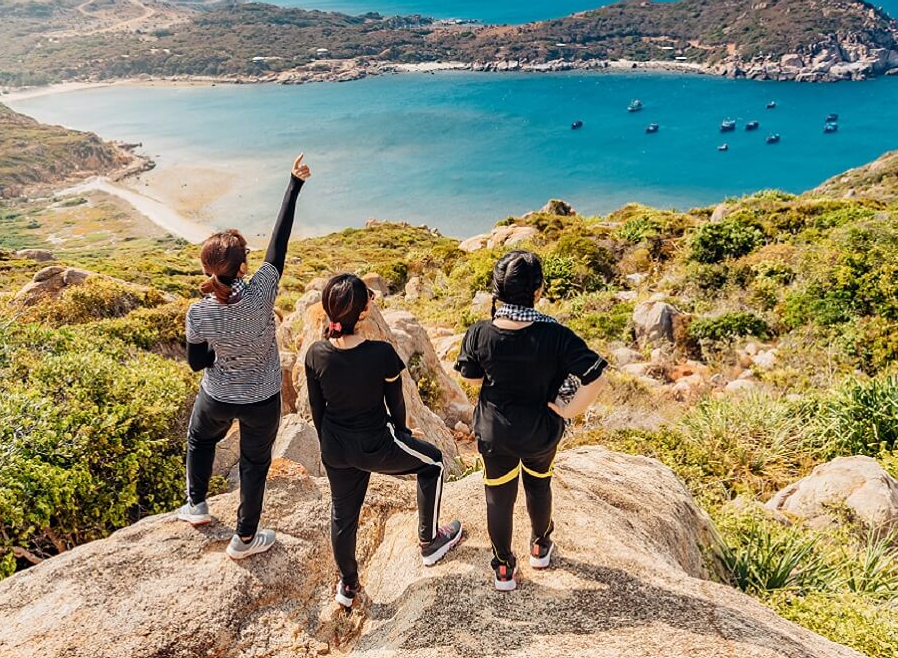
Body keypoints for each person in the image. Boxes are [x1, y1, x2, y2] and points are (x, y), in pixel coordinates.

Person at [176, 154, 312, 561]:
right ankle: (245, 539)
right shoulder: (262, 291)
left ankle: (196, 506)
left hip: (217, 395)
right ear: (244, 266)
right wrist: (293, 184)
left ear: (206, 267)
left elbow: (197, 364)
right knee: (254, 465)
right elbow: (279, 243)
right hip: (262, 398)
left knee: (200, 440)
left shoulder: (199, 312)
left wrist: (223, 355)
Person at [304, 273, 463, 608]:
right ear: (363, 313)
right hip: (376, 444)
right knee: (432, 462)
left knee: (343, 517)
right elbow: (396, 404)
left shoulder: (316, 354)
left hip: (335, 447)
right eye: (369, 300)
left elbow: (317, 410)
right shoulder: (380, 354)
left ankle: (347, 586)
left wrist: (331, 445)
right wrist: (404, 434)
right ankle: (431, 541)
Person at [455, 250, 608, 591]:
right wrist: (567, 409)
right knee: (539, 484)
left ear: (497, 290)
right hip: (541, 431)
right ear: (538, 290)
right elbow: (596, 378)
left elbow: (472, 378)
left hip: (495, 434)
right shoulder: (557, 336)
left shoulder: (480, 333)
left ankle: (504, 568)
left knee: (498, 497)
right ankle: (540, 546)